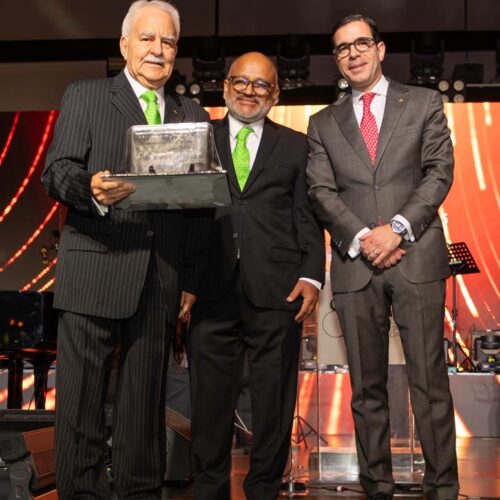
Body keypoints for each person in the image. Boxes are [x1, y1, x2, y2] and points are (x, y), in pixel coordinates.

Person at [41, 1, 210, 498]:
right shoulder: (87, 95)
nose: (158, 50)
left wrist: (190, 281)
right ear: (124, 44)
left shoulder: (191, 113)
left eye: (168, 42)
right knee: (81, 407)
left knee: (143, 411)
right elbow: (57, 170)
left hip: (160, 279)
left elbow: (201, 207)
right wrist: (90, 188)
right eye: (147, 38)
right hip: (94, 267)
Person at [306, 14, 458, 500]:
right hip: (356, 265)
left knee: (429, 383)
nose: (352, 54)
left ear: (380, 48)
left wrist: (395, 231)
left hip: (415, 257)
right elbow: (321, 191)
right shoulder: (321, 123)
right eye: (342, 48)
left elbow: (439, 171)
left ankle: (442, 489)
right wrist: (363, 237)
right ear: (336, 59)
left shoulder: (424, 102)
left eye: (361, 43)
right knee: (366, 390)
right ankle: (377, 488)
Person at [184, 52, 325, 500]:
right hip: (208, 287)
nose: (249, 92)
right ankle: (209, 490)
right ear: (225, 86)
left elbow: (307, 215)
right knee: (209, 404)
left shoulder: (296, 145)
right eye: (240, 82)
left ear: (275, 94)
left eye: (261, 85)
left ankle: (264, 489)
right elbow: (182, 213)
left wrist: (312, 276)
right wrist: (182, 278)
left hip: (278, 291)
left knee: (273, 405)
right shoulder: (198, 137)